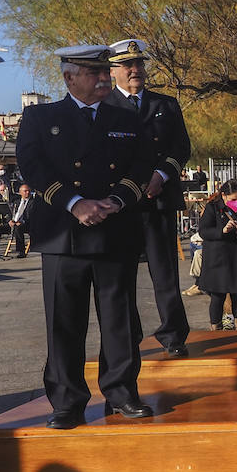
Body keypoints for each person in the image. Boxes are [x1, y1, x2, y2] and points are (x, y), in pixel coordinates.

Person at [16, 44, 157, 429]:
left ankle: (122, 391)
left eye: (105, 72)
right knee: (64, 320)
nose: (104, 79)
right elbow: (33, 166)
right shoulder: (41, 117)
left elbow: (142, 165)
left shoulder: (125, 116)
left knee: (119, 319)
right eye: (94, 73)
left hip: (114, 229)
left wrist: (116, 200)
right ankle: (67, 401)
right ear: (68, 77)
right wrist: (75, 203)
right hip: (65, 234)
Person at [103, 39, 193, 357]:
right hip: (121, 206)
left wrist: (161, 175)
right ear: (113, 71)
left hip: (159, 200)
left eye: (139, 64)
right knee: (122, 273)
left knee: (165, 271)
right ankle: (130, 334)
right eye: (127, 65)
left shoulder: (165, 105)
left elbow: (181, 147)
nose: (135, 70)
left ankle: (173, 335)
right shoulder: (104, 106)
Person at [197, 179, 237, 330]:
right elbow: (204, 231)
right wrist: (223, 231)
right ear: (224, 196)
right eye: (233, 199)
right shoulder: (212, 208)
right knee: (217, 297)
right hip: (219, 260)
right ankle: (216, 330)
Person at [8, 183, 35, 257]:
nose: (28, 192)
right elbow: (10, 213)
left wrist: (22, 222)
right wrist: (10, 220)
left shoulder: (34, 202)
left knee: (18, 228)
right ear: (20, 192)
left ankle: (21, 251)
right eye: (25, 191)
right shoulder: (16, 202)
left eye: (29, 191)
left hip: (27, 224)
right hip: (14, 222)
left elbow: (32, 216)